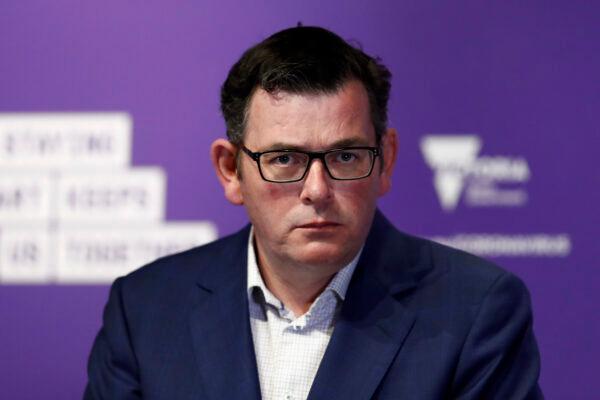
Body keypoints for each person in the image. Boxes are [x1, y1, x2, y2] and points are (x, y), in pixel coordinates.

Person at [84, 26, 543, 400]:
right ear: (230, 170)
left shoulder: (476, 310)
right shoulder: (145, 308)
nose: (317, 190)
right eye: (285, 159)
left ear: (386, 161)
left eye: (345, 157)